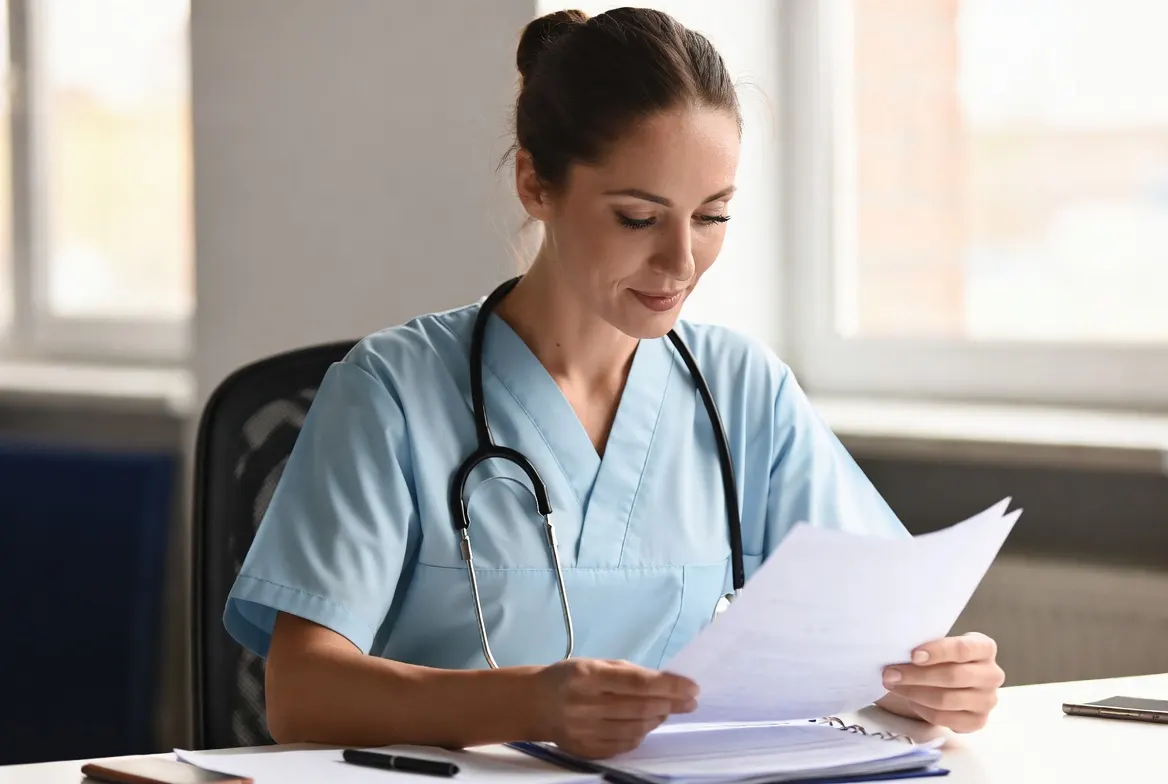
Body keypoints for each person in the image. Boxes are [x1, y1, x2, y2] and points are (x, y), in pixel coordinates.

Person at [222, 7, 1004, 761]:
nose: (682, 263)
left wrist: (928, 681)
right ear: (535, 184)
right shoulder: (391, 392)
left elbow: (875, 641)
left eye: (712, 216)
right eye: (639, 217)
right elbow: (300, 694)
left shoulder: (744, 391)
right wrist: (532, 704)